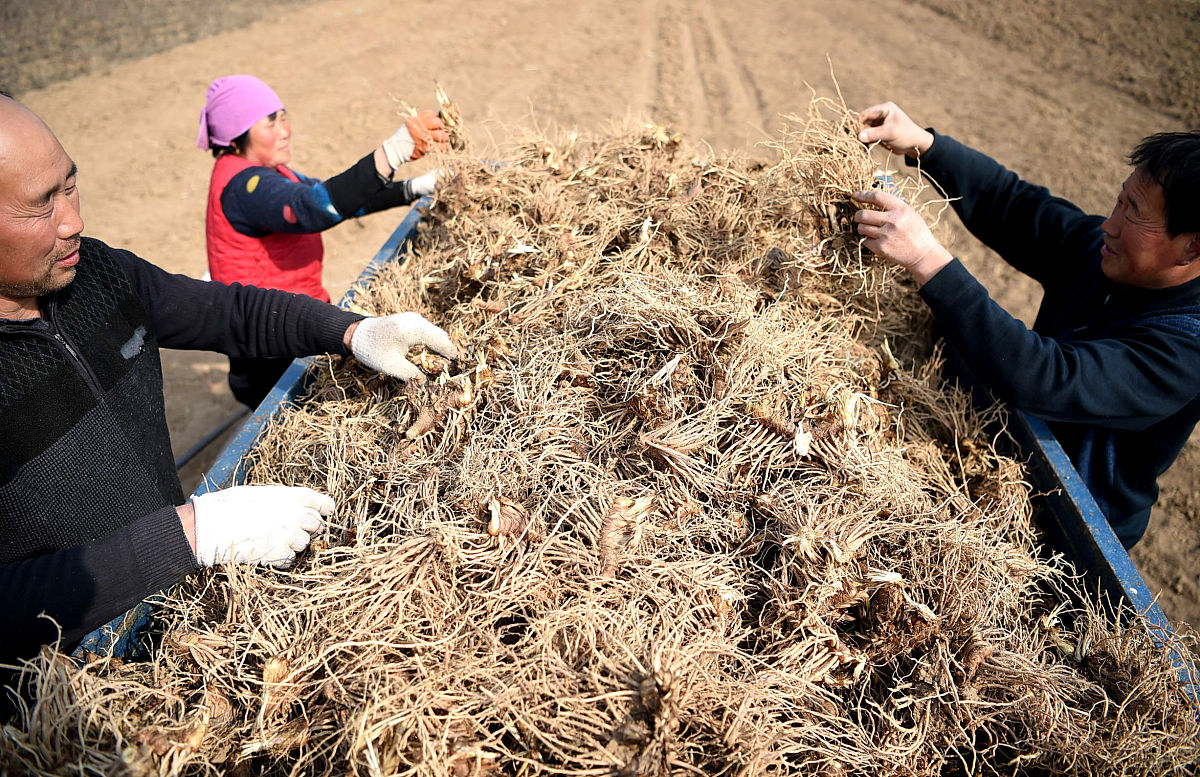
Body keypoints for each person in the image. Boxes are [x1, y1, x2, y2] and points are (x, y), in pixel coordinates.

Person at [0, 92, 458, 666]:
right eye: (40, 205)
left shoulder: (98, 273)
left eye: (70, 186)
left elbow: (230, 312)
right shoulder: (242, 186)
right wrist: (192, 533)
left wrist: (352, 332)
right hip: (68, 678)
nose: (74, 220)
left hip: (169, 601)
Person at [850, 101, 1200, 549]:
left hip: (1066, 533)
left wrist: (925, 258)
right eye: (1121, 199)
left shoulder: (1185, 349)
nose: (1110, 225)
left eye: (1134, 212)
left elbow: (1049, 377)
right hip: (1002, 456)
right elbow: (1014, 206)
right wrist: (926, 146)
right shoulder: (1109, 254)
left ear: (1192, 248)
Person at [196, 74, 450, 407]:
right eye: (270, 123)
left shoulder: (270, 173)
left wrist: (411, 188)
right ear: (237, 135)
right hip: (270, 352)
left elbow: (335, 200)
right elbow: (313, 208)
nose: (284, 130)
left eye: (283, 117)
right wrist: (391, 153)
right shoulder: (246, 188)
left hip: (292, 320)